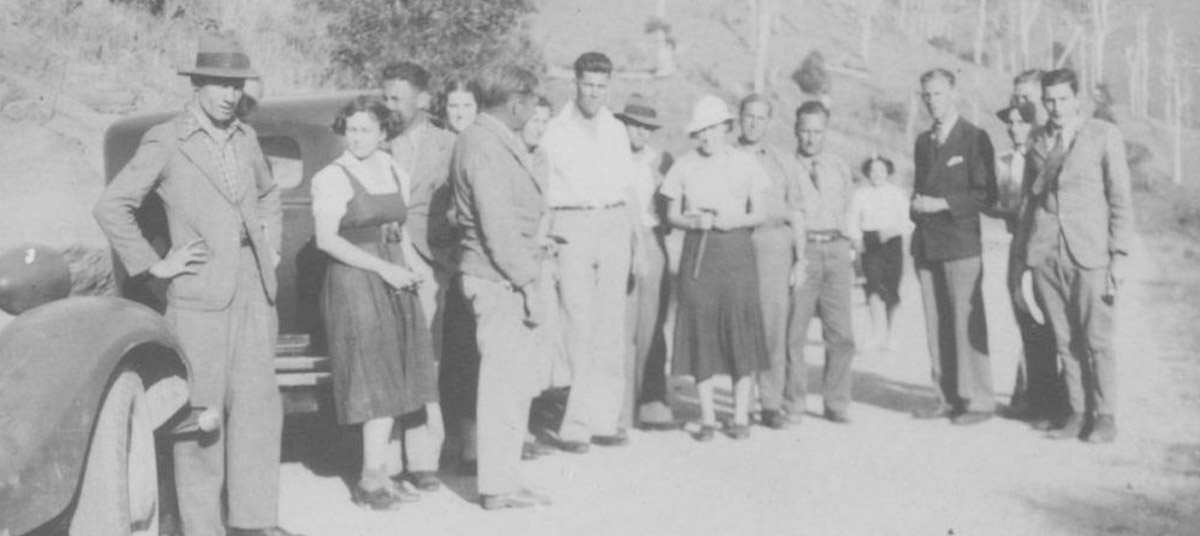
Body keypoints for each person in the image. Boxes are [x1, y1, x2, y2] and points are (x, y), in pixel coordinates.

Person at [93, 33, 300, 536]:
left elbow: (269, 196)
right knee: (201, 419)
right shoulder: (168, 139)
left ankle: (254, 522)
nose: (231, 95)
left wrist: (269, 245)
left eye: (237, 85)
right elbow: (111, 206)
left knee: (257, 411)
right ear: (199, 84)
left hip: (255, 293)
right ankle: (202, 527)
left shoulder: (247, 138)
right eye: (221, 85)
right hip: (198, 299)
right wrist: (154, 265)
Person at [310, 96, 435, 508]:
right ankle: (369, 481)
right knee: (373, 379)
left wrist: (414, 267)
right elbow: (329, 240)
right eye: (352, 129)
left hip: (396, 276)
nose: (358, 137)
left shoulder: (394, 169)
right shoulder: (331, 177)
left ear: (384, 133)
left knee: (398, 374)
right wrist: (385, 270)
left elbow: (399, 229)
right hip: (355, 282)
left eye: (367, 129)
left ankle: (382, 474)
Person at [449, 64, 555, 509]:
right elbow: (498, 226)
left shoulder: (486, 139)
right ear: (516, 103)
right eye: (531, 103)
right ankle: (497, 486)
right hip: (499, 277)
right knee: (502, 384)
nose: (534, 111)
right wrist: (528, 280)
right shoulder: (485, 144)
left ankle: (504, 478)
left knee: (509, 383)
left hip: (498, 272)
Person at [1012, 68, 1133, 443]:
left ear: (1077, 99)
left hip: (1090, 252)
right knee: (1064, 340)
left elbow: (1119, 198)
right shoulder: (1038, 140)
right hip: (1049, 254)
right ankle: (1078, 412)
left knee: (1096, 338)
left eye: (1064, 99)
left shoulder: (1102, 135)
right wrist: (1027, 258)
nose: (1056, 107)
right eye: (1049, 101)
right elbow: (1033, 202)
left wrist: (1119, 253)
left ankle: (1106, 415)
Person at [540, 51, 645, 452]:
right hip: (573, 226)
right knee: (577, 324)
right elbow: (546, 191)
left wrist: (638, 243)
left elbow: (628, 188)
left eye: (602, 87)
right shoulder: (555, 130)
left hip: (614, 224)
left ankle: (604, 419)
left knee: (610, 324)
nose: (594, 93)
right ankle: (575, 425)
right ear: (576, 82)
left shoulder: (616, 130)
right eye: (588, 85)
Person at [661, 94, 770, 442]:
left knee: (740, 326)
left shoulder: (745, 163)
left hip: (736, 251)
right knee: (701, 328)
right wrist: (695, 221)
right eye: (700, 131)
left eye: (712, 129)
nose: (707, 137)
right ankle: (707, 417)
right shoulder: (684, 165)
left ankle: (739, 416)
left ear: (726, 127)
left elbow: (761, 212)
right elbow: (671, 214)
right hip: (700, 253)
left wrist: (733, 219)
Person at [910, 68, 998, 426]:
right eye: (926, 95)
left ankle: (978, 400)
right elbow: (918, 188)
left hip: (961, 245)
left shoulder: (974, 138)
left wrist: (942, 204)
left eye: (939, 94)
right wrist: (914, 205)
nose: (932, 101)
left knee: (966, 323)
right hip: (927, 245)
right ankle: (945, 397)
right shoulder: (922, 142)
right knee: (936, 324)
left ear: (953, 93)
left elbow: (985, 195)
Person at [380, 61, 450, 491]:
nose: (389, 107)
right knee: (387, 355)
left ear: (423, 101)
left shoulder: (448, 144)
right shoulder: (373, 138)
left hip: (428, 259)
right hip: (382, 257)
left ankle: (423, 457)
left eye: (397, 99)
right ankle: (385, 458)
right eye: (384, 97)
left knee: (426, 356)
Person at [734, 94, 806, 430]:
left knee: (773, 327)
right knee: (737, 324)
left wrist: (801, 258)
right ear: (739, 118)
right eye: (748, 116)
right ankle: (740, 405)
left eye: (760, 118)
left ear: (769, 123)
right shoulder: (726, 156)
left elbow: (797, 210)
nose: (753, 123)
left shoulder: (782, 162)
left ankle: (771, 403)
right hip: (735, 242)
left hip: (774, 244)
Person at [787, 101, 858, 425]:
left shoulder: (838, 166)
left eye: (817, 132)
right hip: (804, 252)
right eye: (805, 131)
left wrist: (851, 250)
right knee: (794, 332)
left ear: (826, 132)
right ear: (796, 130)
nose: (811, 138)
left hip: (836, 249)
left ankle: (836, 401)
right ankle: (794, 402)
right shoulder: (786, 166)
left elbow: (848, 207)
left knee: (841, 333)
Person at [614, 93, 679, 431]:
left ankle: (651, 400)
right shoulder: (610, 156)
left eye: (646, 128)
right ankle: (619, 408)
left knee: (652, 325)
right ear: (622, 125)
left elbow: (670, 213)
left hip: (651, 239)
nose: (639, 133)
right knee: (621, 326)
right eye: (634, 125)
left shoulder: (660, 161)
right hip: (618, 239)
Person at [847, 156, 912, 352]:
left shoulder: (896, 193)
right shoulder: (860, 194)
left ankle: (891, 336)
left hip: (892, 242)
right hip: (870, 243)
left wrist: (892, 231)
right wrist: (857, 240)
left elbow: (907, 222)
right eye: (873, 171)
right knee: (873, 287)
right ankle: (876, 334)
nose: (877, 175)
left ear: (888, 172)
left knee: (892, 289)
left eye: (882, 171)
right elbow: (852, 220)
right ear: (867, 173)